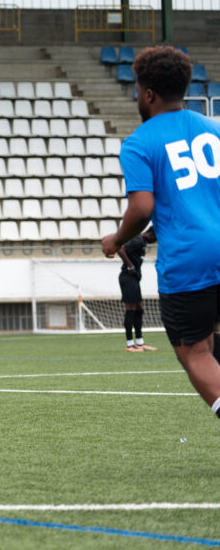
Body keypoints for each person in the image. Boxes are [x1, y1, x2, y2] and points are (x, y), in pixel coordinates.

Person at [102, 46, 220, 422]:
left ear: (148, 93)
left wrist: (117, 240)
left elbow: (142, 208)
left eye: (137, 89)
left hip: (190, 261)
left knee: (197, 352)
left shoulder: (139, 143)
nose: (137, 95)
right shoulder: (215, 129)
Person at [117, 227, 158, 352]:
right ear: (151, 234)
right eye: (155, 239)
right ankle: (130, 345)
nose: (155, 242)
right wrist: (130, 266)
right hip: (127, 277)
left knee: (139, 308)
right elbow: (120, 249)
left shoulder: (142, 242)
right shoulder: (137, 240)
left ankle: (140, 343)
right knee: (131, 309)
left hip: (134, 279)